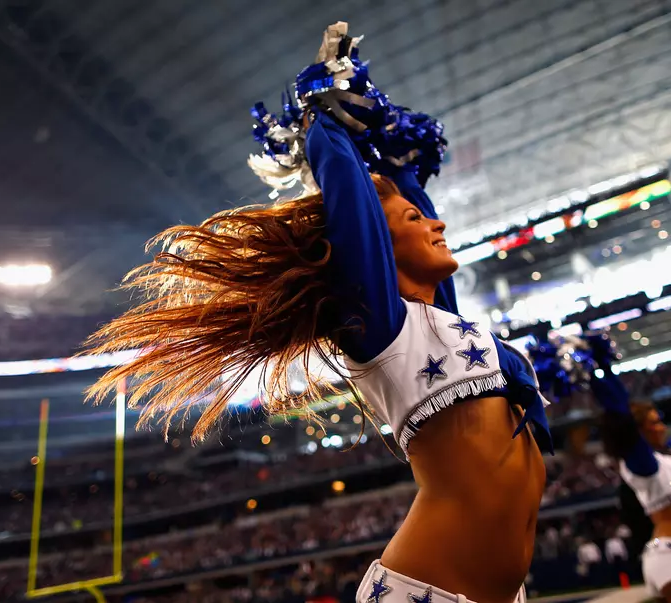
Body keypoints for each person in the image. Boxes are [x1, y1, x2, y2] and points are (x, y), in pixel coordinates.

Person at [85, 22, 552, 603]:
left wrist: (397, 159)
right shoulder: (383, 328)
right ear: (377, 249)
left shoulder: (442, 323)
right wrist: (323, 122)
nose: (438, 223)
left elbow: (405, 204)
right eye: (415, 221)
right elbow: (358, 215)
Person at [587, 335, 671, 603]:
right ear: (638, 430)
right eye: (653, 423)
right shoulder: (642, 463)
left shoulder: (667, 462)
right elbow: (620, 412)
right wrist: (600, 367)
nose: (661, 427)